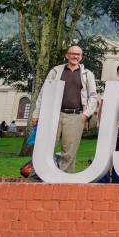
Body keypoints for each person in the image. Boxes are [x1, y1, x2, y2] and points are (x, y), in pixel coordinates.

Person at [30, 45, 98, 175]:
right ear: (67, 55)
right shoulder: (55, 71)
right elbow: (43, 93)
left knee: (69, 151)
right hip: (53, 115)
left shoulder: (87, 74)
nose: (75, 56)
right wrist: (36, 114)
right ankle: (36, 177)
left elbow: (93, 95)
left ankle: (64, 179)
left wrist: (85, 114)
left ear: (81, 57)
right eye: (72, 53)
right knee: (45, 148)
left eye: (78, 54)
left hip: (75, 116)